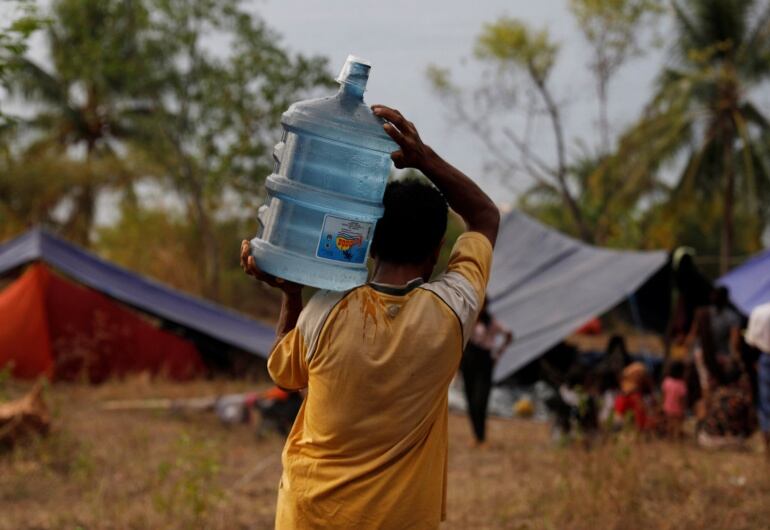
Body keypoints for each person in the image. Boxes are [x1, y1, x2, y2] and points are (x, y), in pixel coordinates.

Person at [241, 104, 499, 529]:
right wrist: (423, 158)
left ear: (370, 243)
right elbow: (485, 216)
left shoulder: (325, 308)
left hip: (307, 516)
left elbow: (286, 375)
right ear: (437, 252)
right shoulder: (452, 312)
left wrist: (292, 295)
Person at [461, 299, 513, 446]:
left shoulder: (491, 322)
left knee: (480, 400)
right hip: (468, 360)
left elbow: (508, 334)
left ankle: (481, 435)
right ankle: (476, 435)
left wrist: (498, 353)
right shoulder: (468, 318)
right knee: (470, 399)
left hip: (484, 362)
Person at [746, 302, 770, 457]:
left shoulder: (759, 312)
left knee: (766, 404)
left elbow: (751, 342)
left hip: (765, 359)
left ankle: (768, 448)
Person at [661, 361, 687, 439]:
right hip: (677, 408)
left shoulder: (667, 381)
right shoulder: (681, 384)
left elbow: (664, 394)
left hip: (667, 406)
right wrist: (683, 408)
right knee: (677, 424)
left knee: (669, 424)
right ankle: (676, 438)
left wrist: (663, 404)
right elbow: (682, 398)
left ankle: (669, 436)